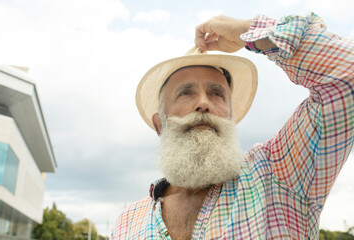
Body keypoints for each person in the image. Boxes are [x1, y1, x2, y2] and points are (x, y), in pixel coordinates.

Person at [112, 12, 354, 240]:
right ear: (159, 124)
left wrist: (247, 31)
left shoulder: (278, 175)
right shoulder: (128, 221)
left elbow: (348, 76)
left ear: (230, 116)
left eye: (216, 93)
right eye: (185, 93)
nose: (204, 103)